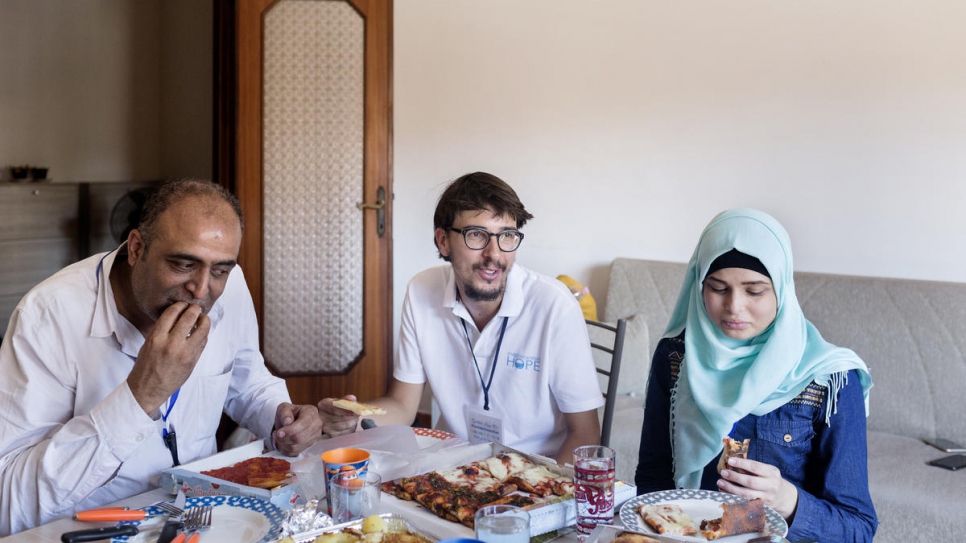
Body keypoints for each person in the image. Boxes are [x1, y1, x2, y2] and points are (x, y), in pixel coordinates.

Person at [0, 179, 323, 535]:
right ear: (137, 248)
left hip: (206, 520)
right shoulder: (47, 317)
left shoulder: (228, 284)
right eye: (184, 264)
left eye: (219, 270)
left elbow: (246, 380)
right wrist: (141, 396)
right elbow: (10, 502)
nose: (201, 290)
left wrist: (280, 417)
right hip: (95, 530)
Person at [319, 172, 604, 464]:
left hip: (535, 474)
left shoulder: (554, 305)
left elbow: (585, 433)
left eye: (507, 235)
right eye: (477, 235)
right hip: (451, 469)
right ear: (443, 241)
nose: (494, 254)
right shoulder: (421, 291)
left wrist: (540, 493)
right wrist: (354, 419)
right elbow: (402, 406)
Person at [634, 208, 877, 541]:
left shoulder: (830, 378)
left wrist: (787, 499)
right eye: (718, 288)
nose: (734, 307)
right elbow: (653, 480)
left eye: (754, 291)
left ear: (781, 288)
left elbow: (858, 528)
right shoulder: (676, 357)